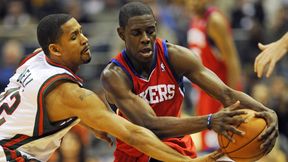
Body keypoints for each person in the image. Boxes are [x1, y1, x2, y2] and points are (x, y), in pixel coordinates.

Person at [0, 13, 213, 162]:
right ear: (55, 49)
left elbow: (38, 107)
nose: (84, 40)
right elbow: (132, 134)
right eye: (74, 37)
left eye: (81, 32)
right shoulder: (70, 94)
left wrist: (86, 121)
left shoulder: (36, 57)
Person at [100, 2, 278, 162]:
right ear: (121, 34)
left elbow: (226, 94)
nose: (146, 38)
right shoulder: (114, 76)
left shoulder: (176, 56)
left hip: (176, 146)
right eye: (137, 33)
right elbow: (150, 125)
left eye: (150, 31)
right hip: (135, 152)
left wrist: (266, 111)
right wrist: (209, 121)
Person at [185, 0, 242, 152]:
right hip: (204, 93)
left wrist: (229, 100)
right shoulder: (195, 18)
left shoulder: (214, 20)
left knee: (223, 149)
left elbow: (232, 60)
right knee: (207, 149)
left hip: (219, 94)